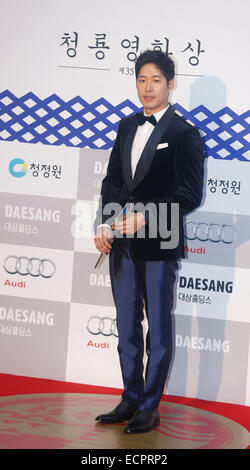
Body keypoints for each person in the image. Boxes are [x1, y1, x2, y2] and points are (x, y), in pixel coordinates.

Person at [93, 49, 204, 433]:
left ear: (171, 84)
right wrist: (104, 223)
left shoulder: (183, 134)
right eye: (142, 79)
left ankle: (149, 406)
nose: (148, 87)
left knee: (157, 326)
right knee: (126, 323)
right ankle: (129, 397)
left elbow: (190, 195)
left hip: (160, 239)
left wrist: (147, 216)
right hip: (121, 242)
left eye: (156, 80)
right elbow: (112, 181)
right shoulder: (126, 126)